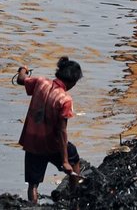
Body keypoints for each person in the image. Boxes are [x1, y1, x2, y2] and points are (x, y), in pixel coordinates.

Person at [15, 56, 83, 205]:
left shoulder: (41, 82)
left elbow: (21, 79)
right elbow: (62, 131)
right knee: (74, 159)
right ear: (72, 82)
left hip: (32, 140)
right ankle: (75, 200)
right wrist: (64, 161)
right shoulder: (65, 99)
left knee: (33, 184)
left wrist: (23, 69)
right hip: (52, 144)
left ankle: (33, 206)